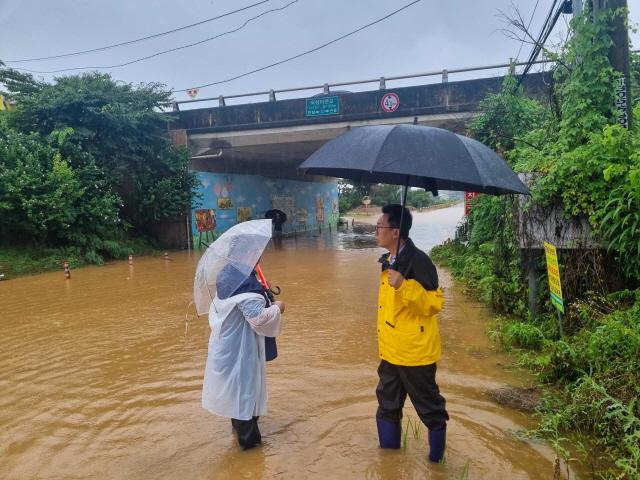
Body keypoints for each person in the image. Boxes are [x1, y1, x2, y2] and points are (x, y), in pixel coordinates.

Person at [374, 204, 448, 463]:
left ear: (395, 232)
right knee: (387, 407)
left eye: (380, 226)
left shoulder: (419, 261)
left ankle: (436, 465)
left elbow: (433, 304)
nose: (376, 231)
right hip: (391, 351)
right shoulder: (389, 261)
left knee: (431, 410)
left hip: (415, 354)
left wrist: (404, 286)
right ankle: (389, 463)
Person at [202, 265, 285, 450]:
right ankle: (250, 452)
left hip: (229, 347)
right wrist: (278, 307)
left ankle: (239, 434)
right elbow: (258, 319)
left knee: (239, 393)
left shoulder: (228, 274)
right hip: (240, 350)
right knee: (245, 395)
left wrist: (262, 290)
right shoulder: (244, 281)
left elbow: (245, 303)